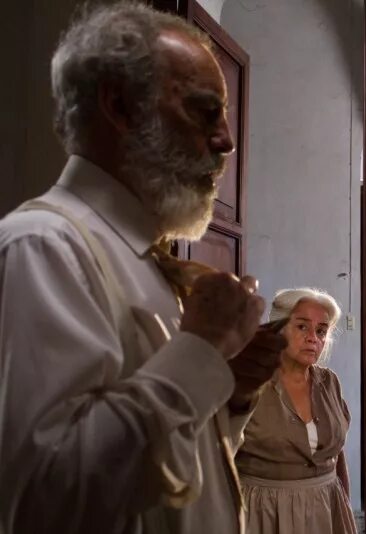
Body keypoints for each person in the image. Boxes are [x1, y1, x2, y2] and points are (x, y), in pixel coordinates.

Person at [0, 4, 285, 533]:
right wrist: (201, 350)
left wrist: (231, 390)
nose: (227, 140)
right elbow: (46, 499)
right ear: (120, 106)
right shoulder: (44, 246)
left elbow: (172, 482)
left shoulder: (142, 259)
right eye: (204, 111)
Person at [235, 288, 358, 534]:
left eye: (321, 331)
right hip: (263, 512)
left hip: (326, 509)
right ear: (277, 328)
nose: (313, 338)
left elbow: (337, 454)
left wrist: (344, 504)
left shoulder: (329, 382)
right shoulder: (251, 383)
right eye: (302, 327)